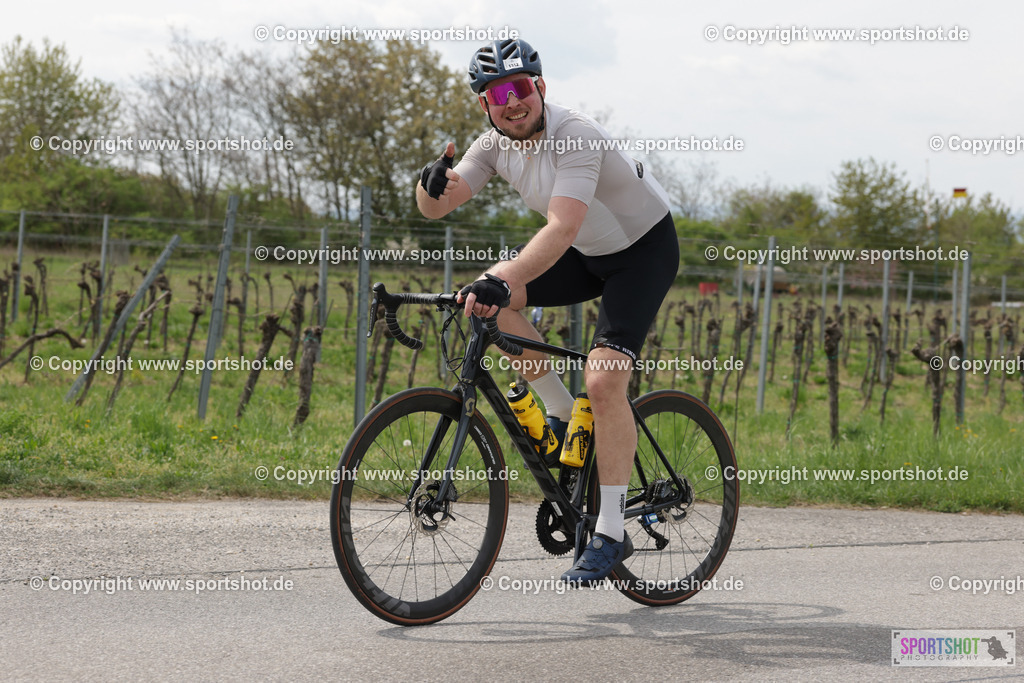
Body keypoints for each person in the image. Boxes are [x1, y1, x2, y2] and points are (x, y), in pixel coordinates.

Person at [415, 38, 678, 585]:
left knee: (604, 381)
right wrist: (429, 183)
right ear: (484, 104)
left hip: (642, 252)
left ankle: (610, 529)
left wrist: (500, 276)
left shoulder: (574, 134)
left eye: (521, 88)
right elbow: (439, 206)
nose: (512, 101)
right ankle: (559, 412)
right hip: (586, 255)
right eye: (497, 93)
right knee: (487, 303)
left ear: (540, 87)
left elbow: (561, 228)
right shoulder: (491, 145)